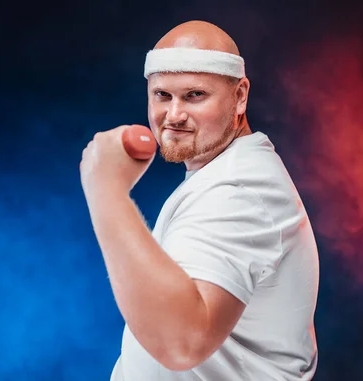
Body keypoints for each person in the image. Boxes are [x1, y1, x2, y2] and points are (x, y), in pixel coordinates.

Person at [79, 20, 320, 381]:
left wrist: (106, 191)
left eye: (194, 95)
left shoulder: (240, 190)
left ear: (240, 97)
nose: (173, 115)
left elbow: (183, 343)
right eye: (162, 95)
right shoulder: (223, 176)